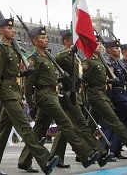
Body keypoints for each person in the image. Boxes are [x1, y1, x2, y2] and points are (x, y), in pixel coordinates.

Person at [0, 17, 60, 175]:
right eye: (9, 29)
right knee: (25, 127)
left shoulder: (12, 49)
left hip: (14, 92)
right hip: (7, 93)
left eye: (12, 28)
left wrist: (25, 72)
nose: (12, 31)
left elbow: (13, 72)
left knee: (3, 130)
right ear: (1, 31)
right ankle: (45, 159)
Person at [19, 26, 101, 172]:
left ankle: (24, 160)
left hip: (52, 95)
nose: (46, 39)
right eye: (43, 38)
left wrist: (59, 78)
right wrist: (31, 104)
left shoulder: (47, 57)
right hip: (44, 96)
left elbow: (48, 78)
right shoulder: (34, 59)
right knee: (66, 123)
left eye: (46, 37)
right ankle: (85, 154)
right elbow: (29, 84)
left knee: (39, 130)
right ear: (35, 41)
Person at [82, 42, 127, 158]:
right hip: (95, 95)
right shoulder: (88, 61)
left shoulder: (100, 61)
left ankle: (82, 151)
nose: (100, 46)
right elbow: (82, 78)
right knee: (114, 120)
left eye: (100, 44)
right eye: (96, 44)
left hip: (102, 95)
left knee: (90, 126)